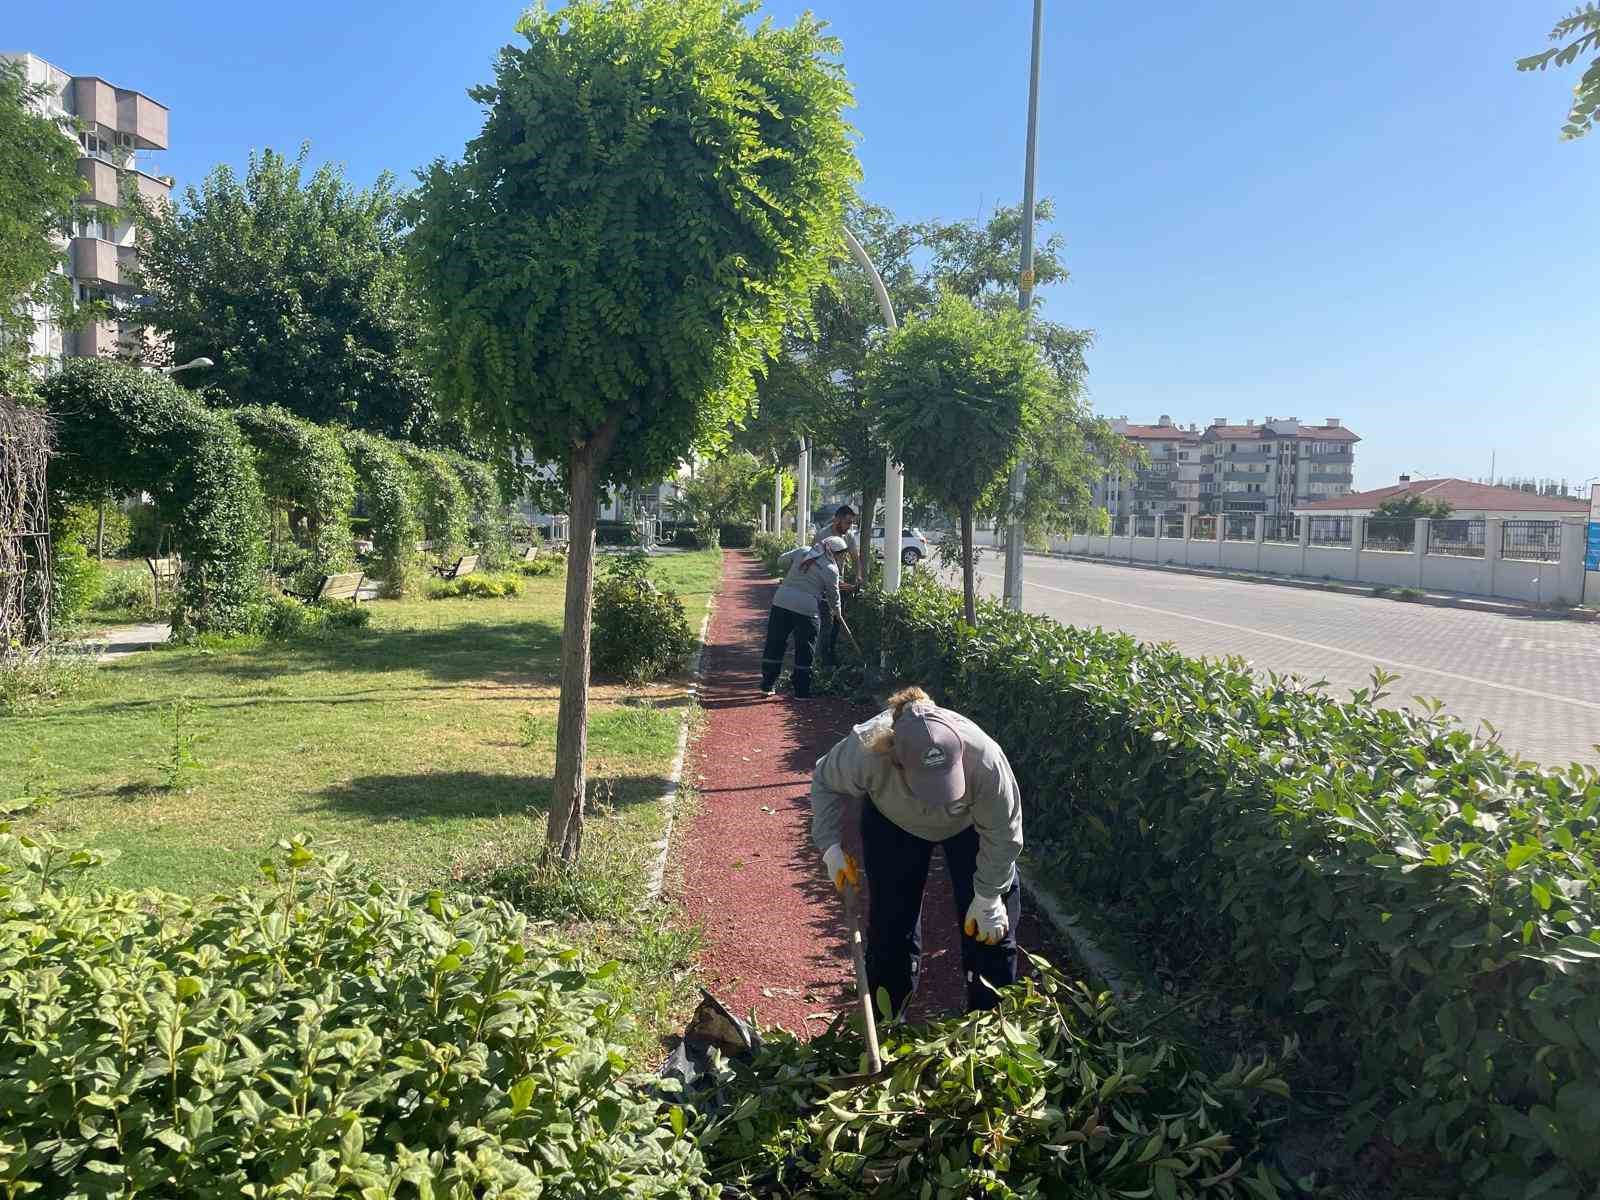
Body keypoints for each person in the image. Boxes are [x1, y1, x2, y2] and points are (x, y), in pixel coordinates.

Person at [809, 686, 1023, 1015]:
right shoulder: (866, 750)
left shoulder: (986, 759)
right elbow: (823, 780)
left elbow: (1003, 833)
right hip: (895, 822)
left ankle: (992, 1027)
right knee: (891, 927)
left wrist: (989, 896)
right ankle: (888, 1022)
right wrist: (831, 849)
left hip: (969, 826)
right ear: (894, 760)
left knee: (991, 932)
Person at [761, 534, 847, 698]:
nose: (842, 558)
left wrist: (794, 570)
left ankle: (767, 684)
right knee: (805, 649)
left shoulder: (804, 551)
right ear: (833, 552)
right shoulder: (831, 569)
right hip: (806, 609)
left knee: (775, 642)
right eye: (841, 554)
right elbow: (833, 597)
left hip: (781, 602)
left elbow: (781, 561)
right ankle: (801, 691)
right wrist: (838, 614)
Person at [813, 505, 858, 667]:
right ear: (837, 519)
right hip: (822, 585)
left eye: (852, 523)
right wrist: (836, 583)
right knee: (825, 623)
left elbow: (855, 557)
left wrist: (857, 576)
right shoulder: (821, 536)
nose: (850, 526)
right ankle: (821, 660)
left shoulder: (849, 536)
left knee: (837, 623)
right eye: (847, 522)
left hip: (839, 584)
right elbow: (815, 564)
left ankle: (830, 653)